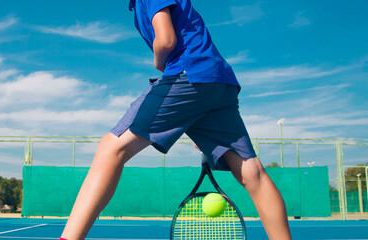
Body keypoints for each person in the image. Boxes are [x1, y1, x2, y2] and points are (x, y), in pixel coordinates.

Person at [60, 0, 292, 239]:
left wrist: (159, 61)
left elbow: (166, 40)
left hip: (188, 73)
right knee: (252, 172)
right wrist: (197, 120)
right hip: (219, 81)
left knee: (111, 148)